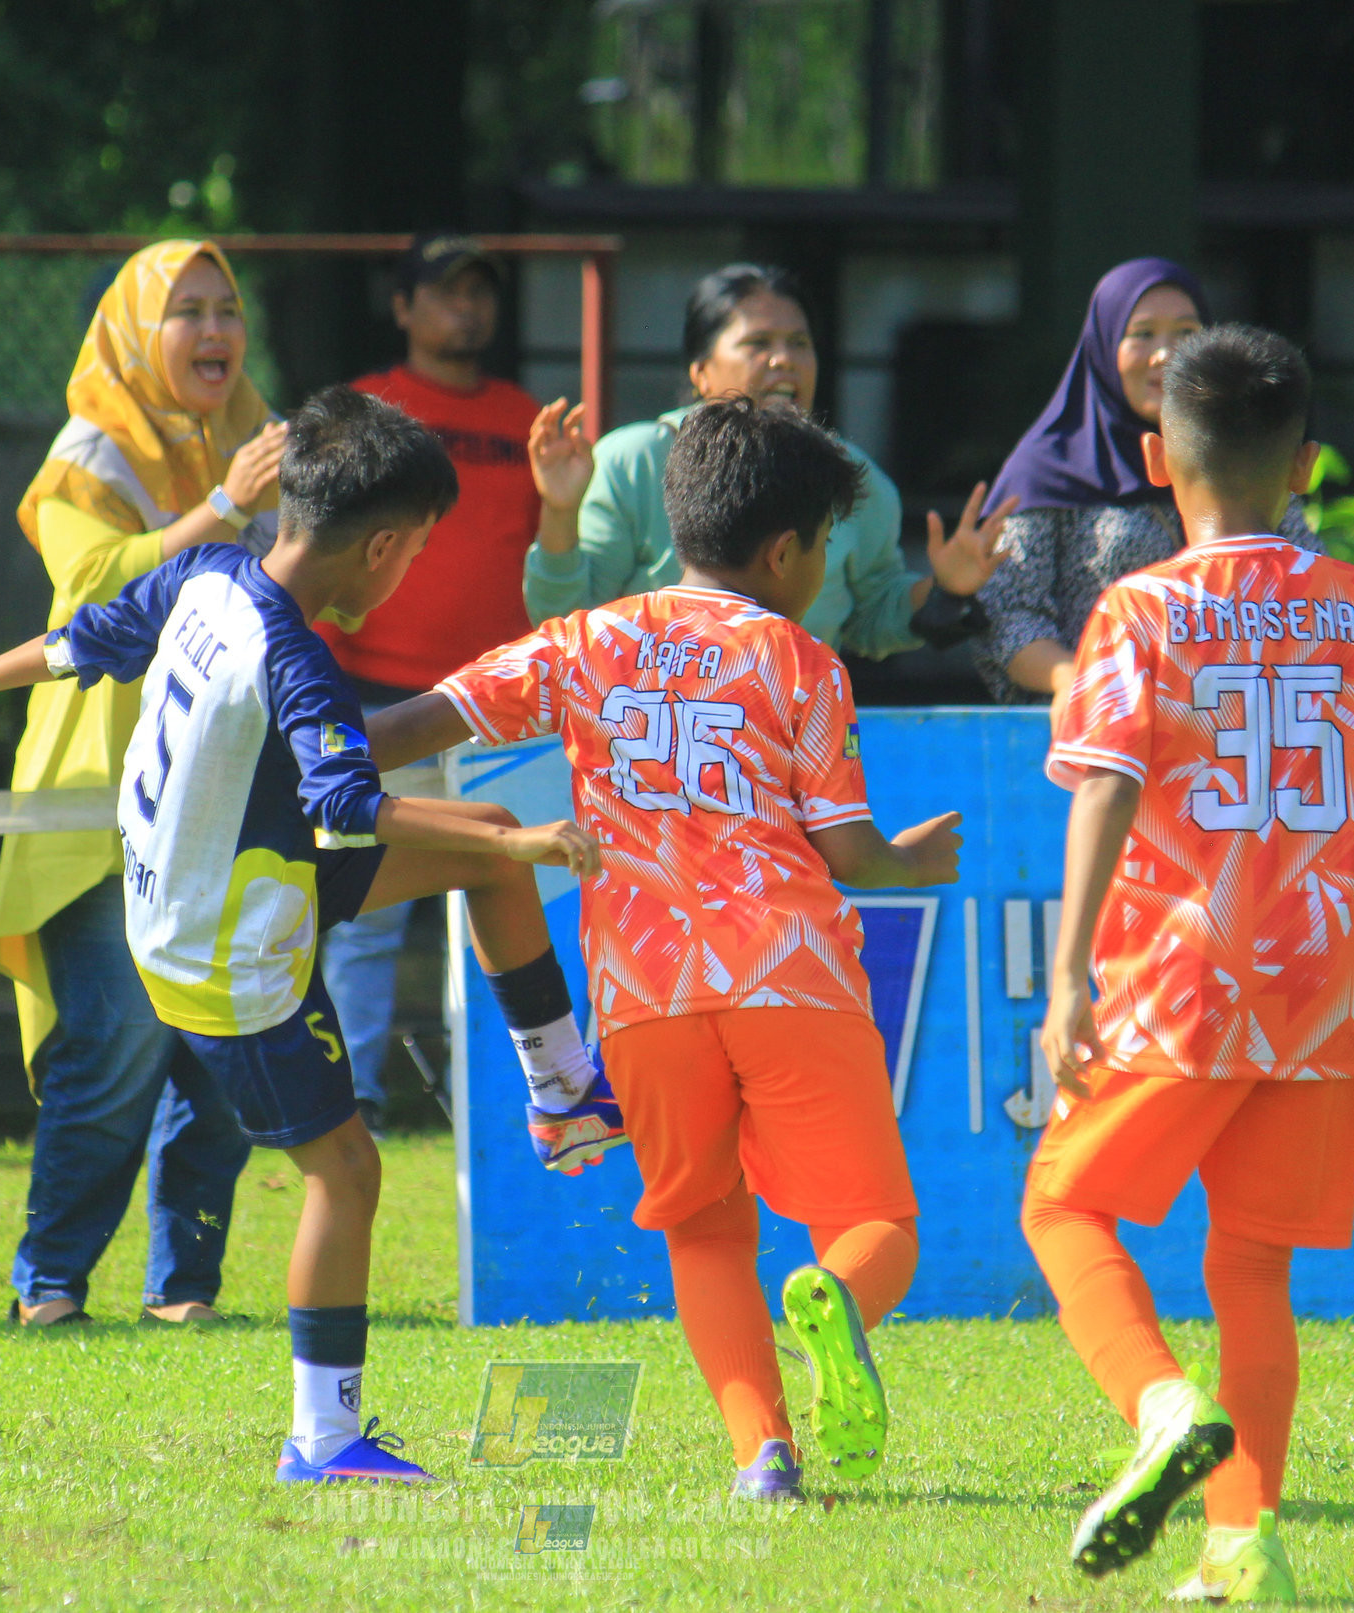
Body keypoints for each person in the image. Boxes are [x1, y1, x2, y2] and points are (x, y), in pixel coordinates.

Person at [0, 386, 623, 1485]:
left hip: (224, 887)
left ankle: (564, 1091)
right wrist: (536, 841)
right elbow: (344, 799)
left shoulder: (211, 574)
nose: (411, 571)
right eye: (418, 551)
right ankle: (323, 1438)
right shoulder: (295, 657)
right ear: (381, 548)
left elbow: (75, 643)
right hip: (228, 949)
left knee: (476, 838)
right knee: (345, 1170)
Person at [370, 397, 964, 1502]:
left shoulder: (586, 638)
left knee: (701, 1229)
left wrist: (295, 746)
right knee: (875, 1225)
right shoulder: (802, 659)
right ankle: (832, 1298)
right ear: (784, 551)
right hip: (789, 975)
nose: (823, 565)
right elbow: (847, 854)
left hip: (642, 996)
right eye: (826, 546)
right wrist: (914, 862)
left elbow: (412, 725)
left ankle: (762, 1458)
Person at [1027, 326, 1354, 1599]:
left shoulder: (1137, 607)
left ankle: (1157, 1406)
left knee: (1060, 1206)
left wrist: (1066, 978)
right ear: (1305, 462)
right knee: (1252, 1266)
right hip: (1325, 985)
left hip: (1182, 973)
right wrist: (1313, 859)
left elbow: (1102, 782)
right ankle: (1237, 1545)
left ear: (1157, 458)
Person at [0, 240, 286, 1327]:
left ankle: (183, 1289)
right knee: (116, 1044)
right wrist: (218, 509)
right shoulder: (88, 455)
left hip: (232, 790)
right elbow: (91, 592)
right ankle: (51, 1284)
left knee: (220, 1052)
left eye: (228, 309)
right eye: (186, 311)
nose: (214, 332)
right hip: (100, 795)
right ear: (131, 330)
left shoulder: (261, 442)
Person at [974, 256, 1354, 758]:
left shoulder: (1240, 454)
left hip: (1232, 745)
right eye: (1142, 335)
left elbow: (1323, 592)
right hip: (1092, 741)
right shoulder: (1044, 472)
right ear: (1102, 348)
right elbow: (1008, 613)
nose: (1165, 354)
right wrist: (1077, 677)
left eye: (1186, 334)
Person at [315, 232, 583, 1132]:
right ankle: (353, 1095)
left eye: (480, 292)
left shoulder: (529, 418)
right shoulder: (369, 410)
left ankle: (504, 1099)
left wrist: (560, 497)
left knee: (509, 884)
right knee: (364, 913)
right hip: (373, 699)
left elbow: (555, 560)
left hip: (496, 708)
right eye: (444, 291)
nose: (466, 307)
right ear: (401, 308)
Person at [523, 262, 1009, 665]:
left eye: (799, 343)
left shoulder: (855, 479)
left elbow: (872, 621)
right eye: (759, 343)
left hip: (794, 741)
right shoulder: (633, 462)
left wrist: (944, 588)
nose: (784, 359)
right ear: (700, 372)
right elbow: (566, 621)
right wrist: (559, 512)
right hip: (646, 739)